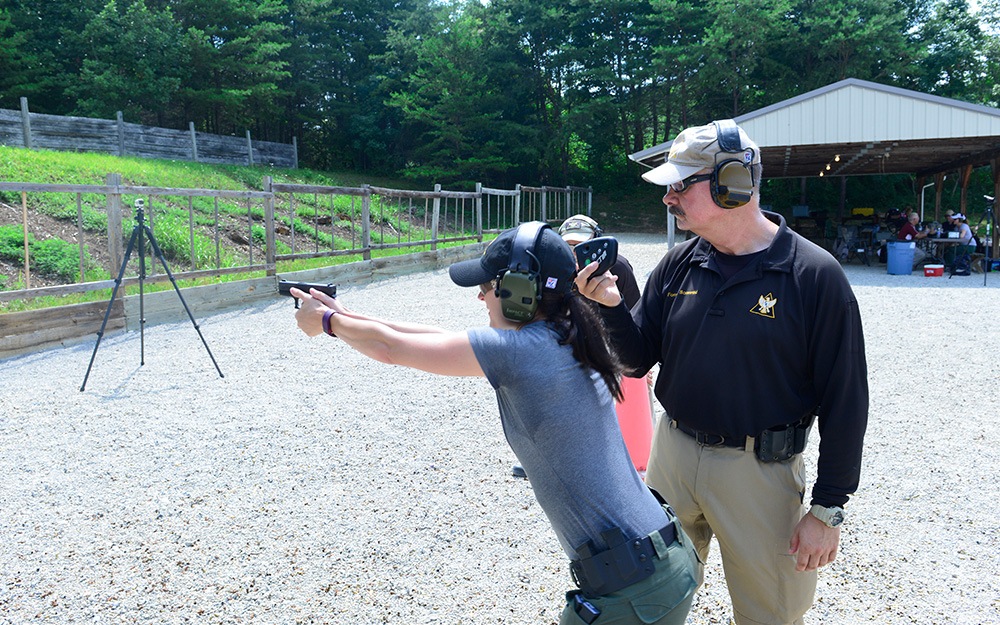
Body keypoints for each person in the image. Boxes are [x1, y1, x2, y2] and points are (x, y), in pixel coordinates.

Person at [291, 222, 700, 625]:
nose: (481, 298)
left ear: (519, 292)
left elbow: (391, 349)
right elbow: (435, 336)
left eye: (486, 288)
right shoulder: (569, 329)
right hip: (660, 558)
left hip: (633, 587)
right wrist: (347, 315)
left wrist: (325, 324)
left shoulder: (519, 351)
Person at [576, 120, 869, 625]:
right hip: (671, 457)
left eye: (679, 185)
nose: (669, 198)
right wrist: (610, 307)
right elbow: (636, 360)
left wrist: (827, 509)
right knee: (649, 594)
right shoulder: (677, 265)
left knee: (770, 613)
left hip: (759, 474)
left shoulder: (814, 276)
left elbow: (846, 401)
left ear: (731, 185)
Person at [559, 214, 641, 308]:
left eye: (583, 247)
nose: (575, 253)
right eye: (568, 246)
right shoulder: (555, 268)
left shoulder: (618, 267)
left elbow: (634, 311)